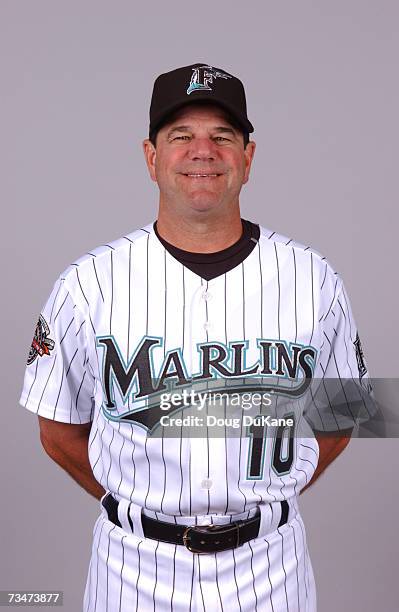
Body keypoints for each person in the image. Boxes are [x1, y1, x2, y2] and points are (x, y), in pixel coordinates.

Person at [20, 63, 374, 611]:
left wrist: (268, 500)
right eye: (181, 136)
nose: (202, 152)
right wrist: (141, 506)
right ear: (151, 156)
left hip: (271, 570)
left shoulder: (314, 278)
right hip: (131, 570)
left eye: (222, 137)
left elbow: (343, 416)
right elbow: (56, 431)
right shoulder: (86, 284)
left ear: (248, 159)